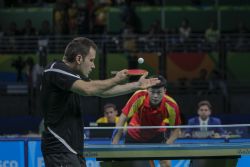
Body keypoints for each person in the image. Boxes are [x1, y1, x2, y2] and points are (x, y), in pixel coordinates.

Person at [40, 37, 160, 167]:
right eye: (91, 60)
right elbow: (89, 89)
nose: (93, 65)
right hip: (60, 149)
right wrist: (116, 79)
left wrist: (136, 85)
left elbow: (102, 92)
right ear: (79, 59)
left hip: (73, 150)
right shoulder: (55, 69)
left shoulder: (73, 77)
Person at [112, 75, 182, 167]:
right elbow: (122, 120)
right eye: (152, 92)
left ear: (165, 91)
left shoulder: (171, 105)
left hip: (157, 135)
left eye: (159, 92)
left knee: (166, 163)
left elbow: (176, 131)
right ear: (147, 89)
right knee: (126, 164)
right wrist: (114, 146)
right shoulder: (139, 96)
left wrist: (166, 146)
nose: (155, 96)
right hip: (135, 134)